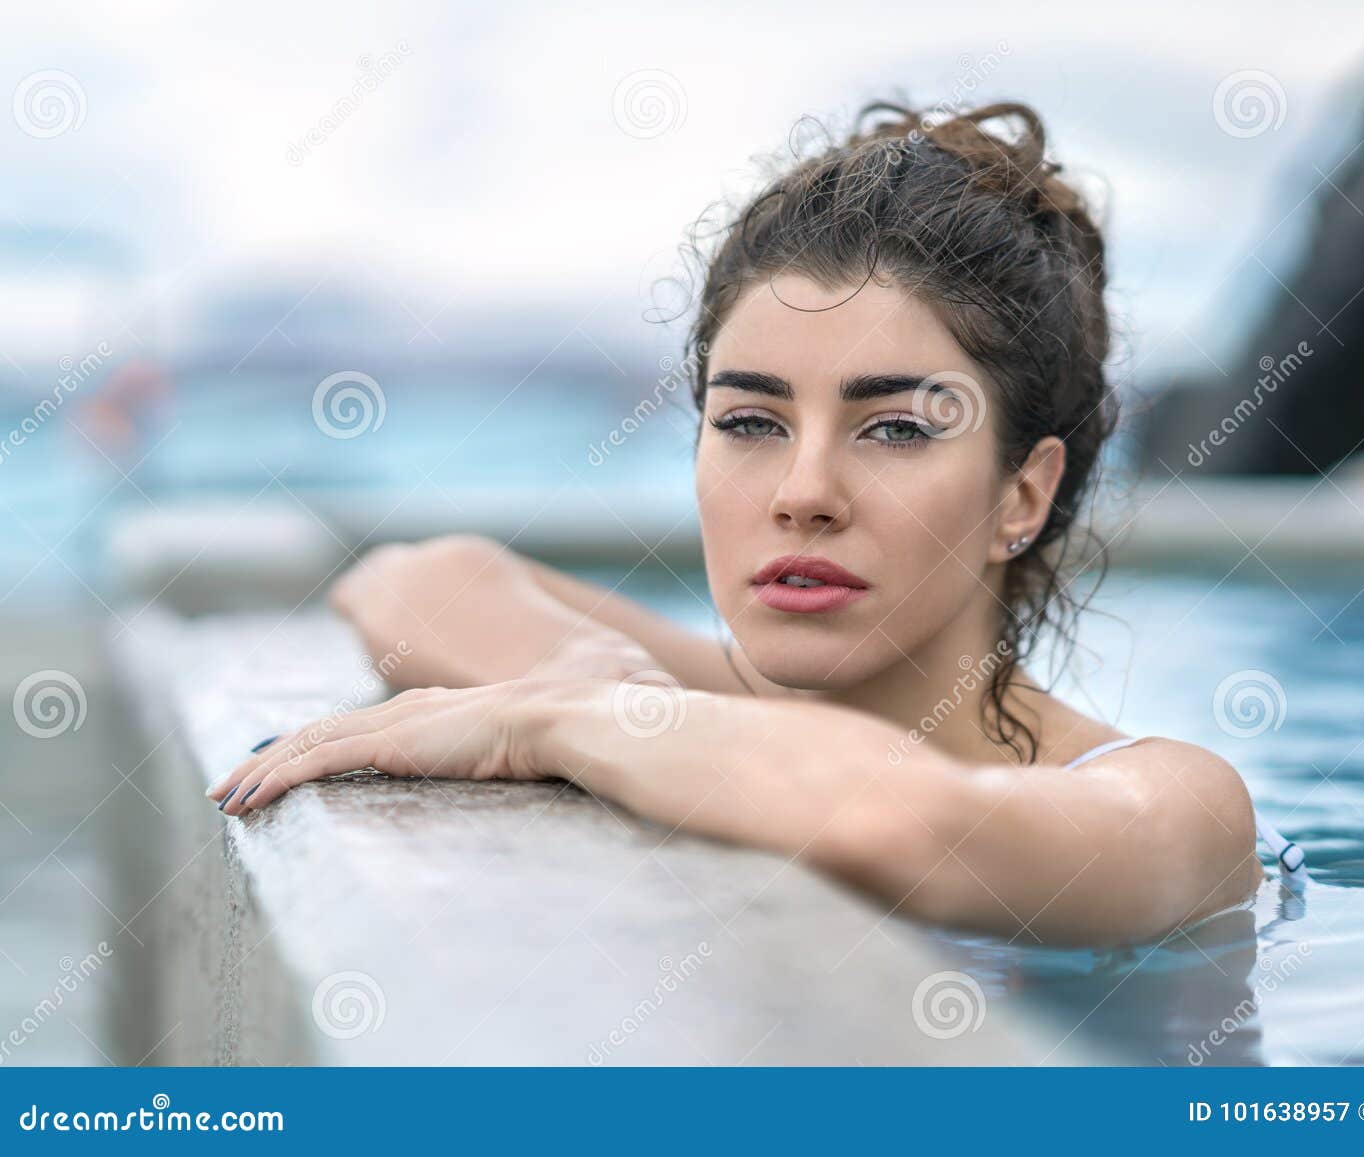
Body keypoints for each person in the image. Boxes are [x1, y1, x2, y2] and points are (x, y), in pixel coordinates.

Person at [207, 100, 1276, 947]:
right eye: (752, 419)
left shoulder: (1174, 800)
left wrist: (550, 721)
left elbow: (917, 828)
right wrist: (594, 679)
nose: (801, 490)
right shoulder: (677, 692)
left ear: (1022, 494)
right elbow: (412, 579)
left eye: (896, 427)